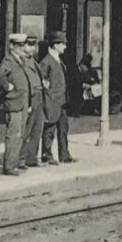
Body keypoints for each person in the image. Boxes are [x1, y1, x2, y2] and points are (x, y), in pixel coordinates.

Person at [0, 33, 34, 175]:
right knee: (14, 134)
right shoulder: (8, 60)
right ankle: (9, 166)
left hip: (21, 102)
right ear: (12, 46)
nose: (22, 48)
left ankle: (15, 162)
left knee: (20, 134)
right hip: (14, 102)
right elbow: (0, 75)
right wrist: (7, 87)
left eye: (23, 45)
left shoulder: (19, 60)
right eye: (19, 45)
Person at [38, 33, 76, 165]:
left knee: (63, 128)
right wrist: (47, 98)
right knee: (49, 128)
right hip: (52, 100)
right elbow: (43, 82)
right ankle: (46, 154)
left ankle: (64, 155)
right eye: (63, 44)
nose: (65, 47)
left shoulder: (58, 60)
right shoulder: (46, 61)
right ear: (55, 45)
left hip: (62, 101)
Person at [18, 35, 46, 168]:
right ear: (23, 46)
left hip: (39, 96)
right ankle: (21, 159)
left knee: (37, 128)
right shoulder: (21, 61)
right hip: (30, 98)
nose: (32, 49)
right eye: (29, 45)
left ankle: (32, 157)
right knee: (26, 130)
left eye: (33, 46)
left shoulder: (33, 61)